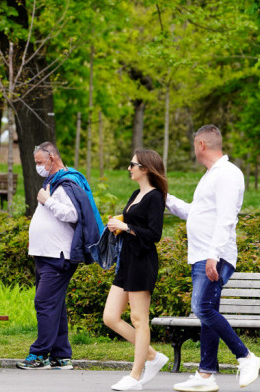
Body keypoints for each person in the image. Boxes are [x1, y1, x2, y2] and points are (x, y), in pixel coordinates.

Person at [166, 125, 260, 392]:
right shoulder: (211, 176)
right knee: (208, 310)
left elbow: (227, 217)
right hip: (204, 253)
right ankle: (205, 375)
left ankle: (246, 357)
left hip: (213, 254)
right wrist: (167, 199)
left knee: (202, 308)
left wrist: (213, 255)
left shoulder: (228, 175)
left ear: (201, 144)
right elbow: (196, 213)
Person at [17, 141, 101, 370]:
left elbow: (73, 214)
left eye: (40, 162)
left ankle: (40, 354)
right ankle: (61, 356)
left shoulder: (66, 183)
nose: (38, 167)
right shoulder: (53, 182)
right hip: (46, 254)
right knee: (55, 305)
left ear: (52, 158)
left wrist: (48, 201)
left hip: (58, 255)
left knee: (43, 302)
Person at [103, 150, 169, 391]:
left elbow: (155, 235)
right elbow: (133, 223)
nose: (129, 168)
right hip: (127, 260)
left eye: (132, 164)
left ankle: (135, 376)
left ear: (146, 168)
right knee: (110, 316)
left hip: (143, 262)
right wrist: (118, 226)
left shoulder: (155, 197)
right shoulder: (135, 193)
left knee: (139, 320)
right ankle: (152, 356)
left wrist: (126, 226)